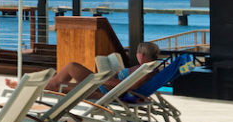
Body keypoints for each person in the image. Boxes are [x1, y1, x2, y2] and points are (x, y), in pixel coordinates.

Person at [12, 42, 162, 98]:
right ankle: (26, 85)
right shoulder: (150, 69)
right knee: (62, 80)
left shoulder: (144, 70)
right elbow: (129, 83)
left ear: (140, 55)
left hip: (102, 89)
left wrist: (105, 79)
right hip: (105, 86)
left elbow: (130, 86)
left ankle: (25, 86)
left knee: (67, 75)